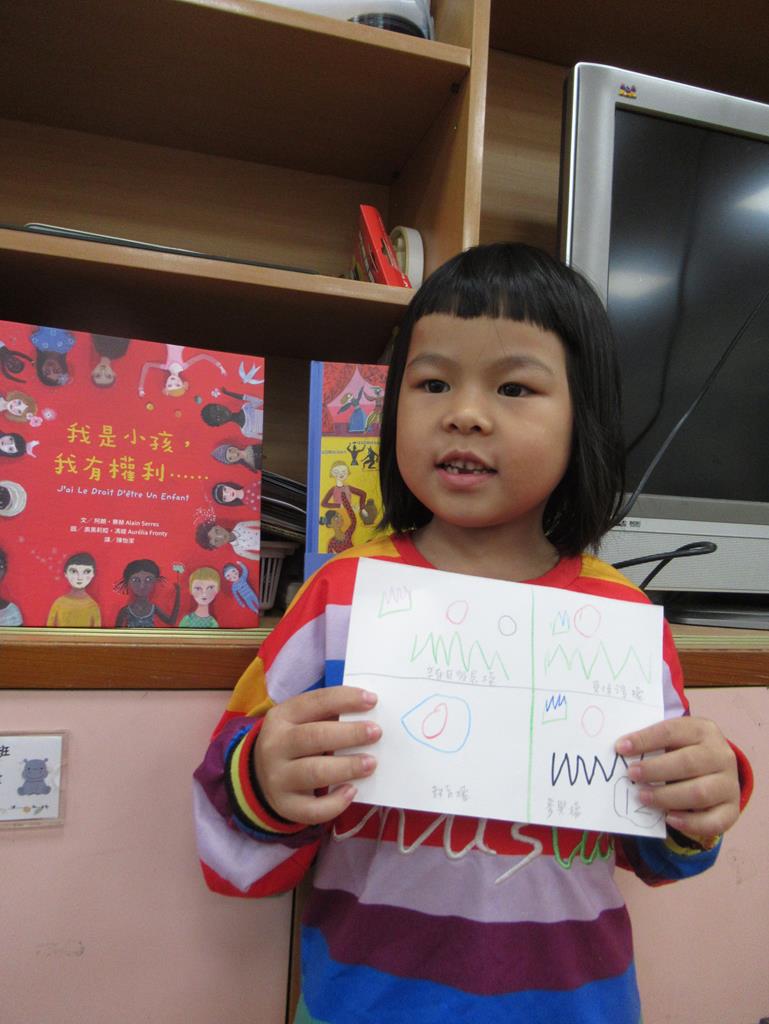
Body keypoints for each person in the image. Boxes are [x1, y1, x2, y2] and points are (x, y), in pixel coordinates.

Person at [192, 243, 752, 1024]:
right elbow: (229, 835)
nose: (463, 412)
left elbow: (655, 847)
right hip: (366, 1006)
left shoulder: (617, 615)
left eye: (514, 386)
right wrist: (263, 777)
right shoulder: (338, 597)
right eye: (431, 383)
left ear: (583, 418)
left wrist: (698, 795)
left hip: (576, 1008)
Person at [46, 552, 101, 627]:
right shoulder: (59, 604)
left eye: (87, 572)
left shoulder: (93, 606)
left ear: (93, 574)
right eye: (74, 571)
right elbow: (49, 630)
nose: (80, 577)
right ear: (66, 573)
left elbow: (97, 632)